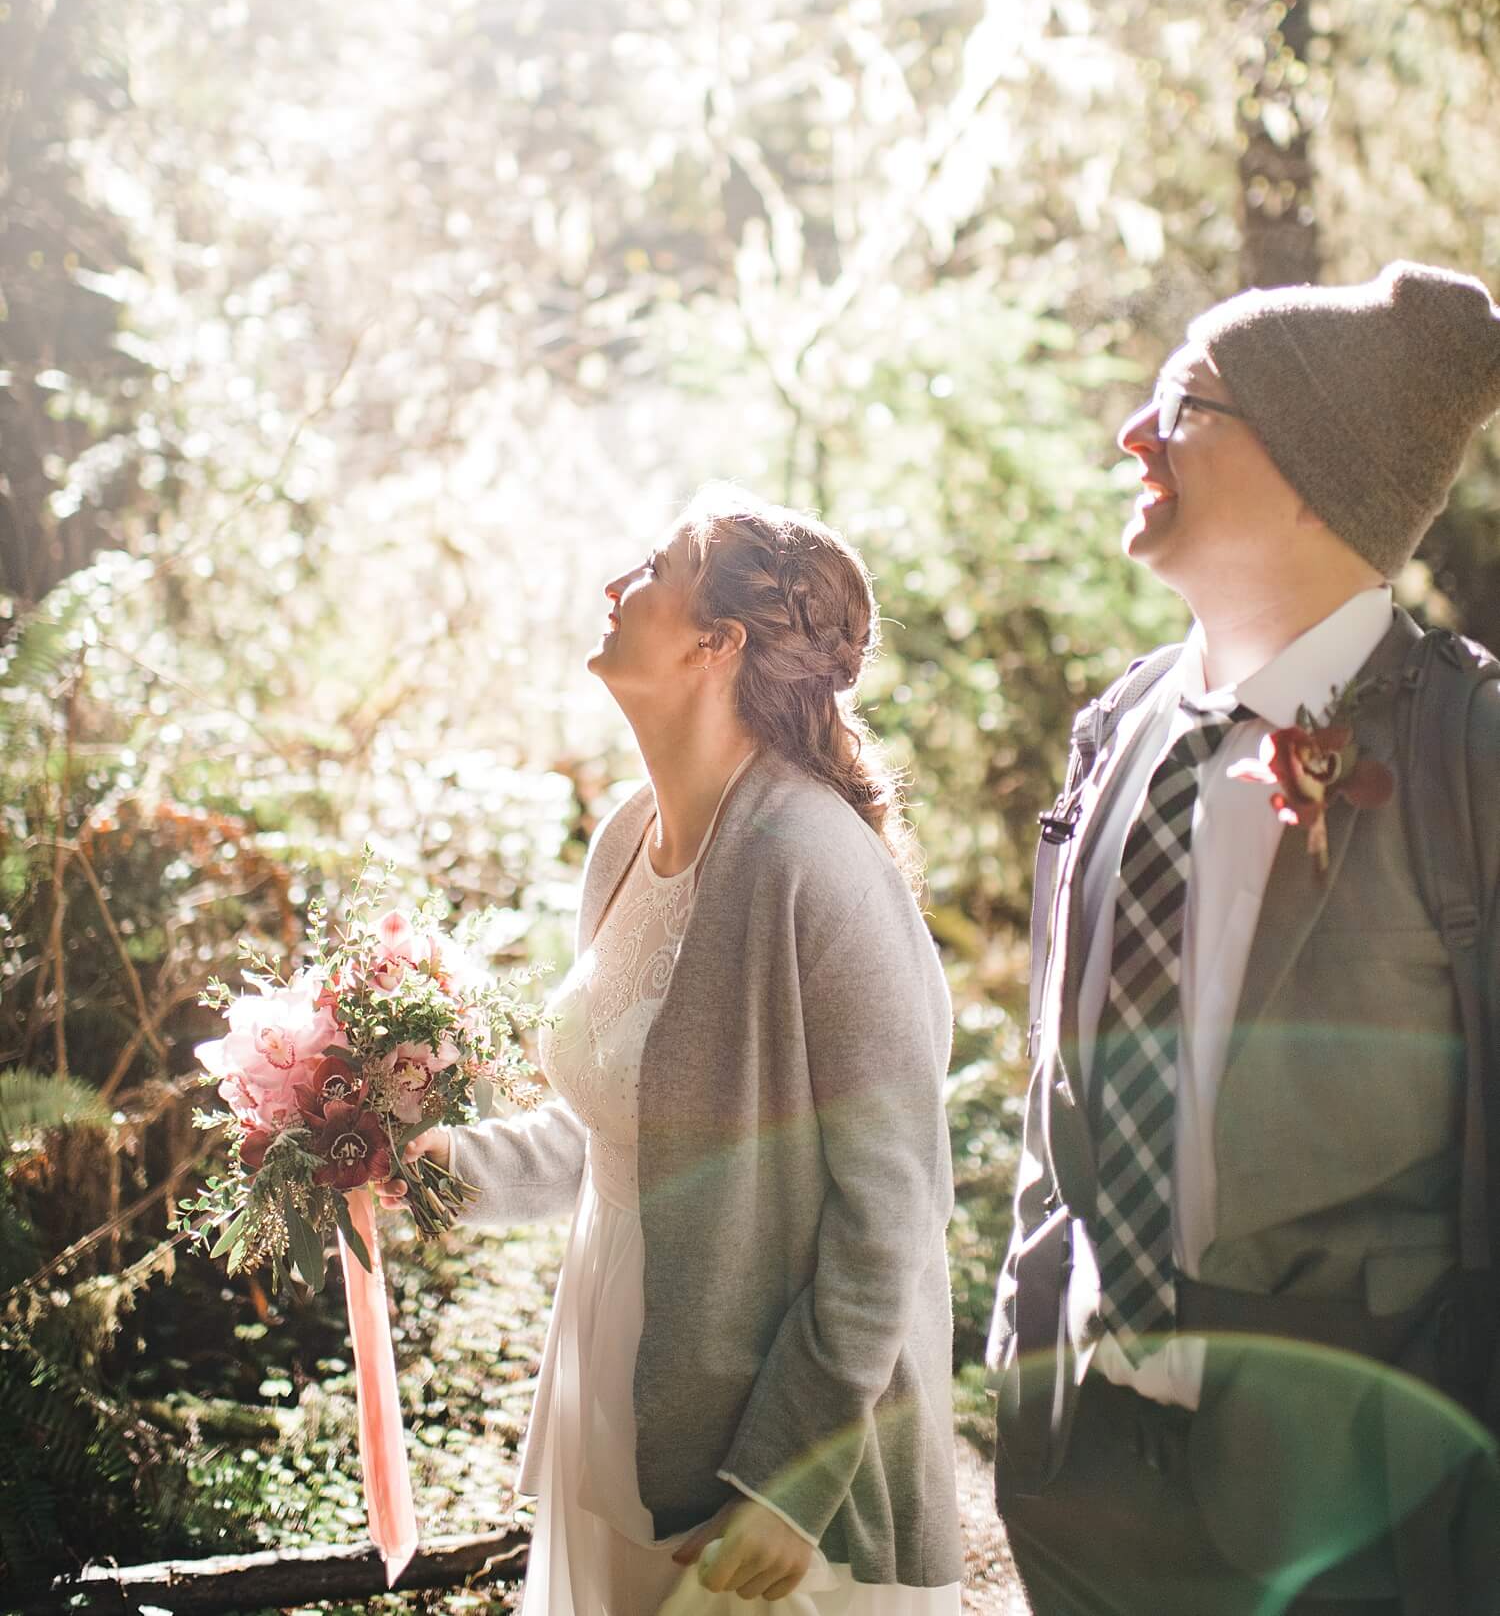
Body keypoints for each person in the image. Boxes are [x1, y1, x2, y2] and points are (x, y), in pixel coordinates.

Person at [989, 260, 1500, 1615]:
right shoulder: (1118, 733)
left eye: (1183, 404)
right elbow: (1060, 1098)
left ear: (1306, 468)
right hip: (1089, 1471)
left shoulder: (1471, 758)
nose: (1131, 435)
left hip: (1365, 1508)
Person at [409, 485, 962, 1614]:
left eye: (650, 571)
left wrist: (791, 1476)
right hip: (621, 1358)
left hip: (774, 1415)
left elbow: (894, 1206)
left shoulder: (818, 866)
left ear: (720, 642)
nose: (616, 586)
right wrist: (426, 1173)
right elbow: (625, 1126)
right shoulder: (624, 836)